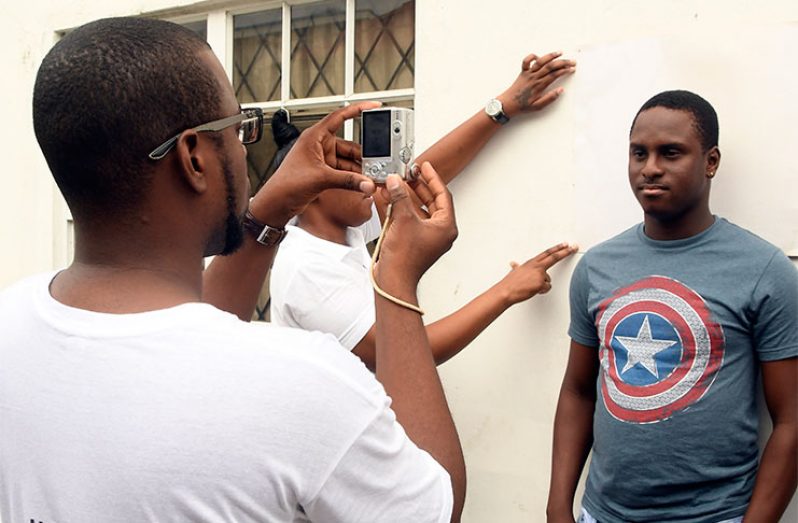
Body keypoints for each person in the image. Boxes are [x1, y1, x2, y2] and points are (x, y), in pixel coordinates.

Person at [0, 16, 467, 522]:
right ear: (194, 159)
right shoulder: (298, 382)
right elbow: (433, 504)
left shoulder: (11, 325)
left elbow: (184, 348)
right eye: (241, 129)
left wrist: (269, 210)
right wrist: (395, 278)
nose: (247, 150)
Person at [546, 90, 798, 523]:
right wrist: (558, 508)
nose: (650, 169)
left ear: (711, 162)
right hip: (603, 514)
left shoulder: (764, 269)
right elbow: (578, 390)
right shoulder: (597, 267)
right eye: (638, 153)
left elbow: (792, 419)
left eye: (671, 153)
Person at [270, 52, 578, 368]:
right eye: (348, 169)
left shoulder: (337, 229)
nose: (367, 177)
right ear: (311, 191)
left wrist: (501, 109)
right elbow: (404, 354)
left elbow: (422, 174)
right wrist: (506, 291)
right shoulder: (306, 270)